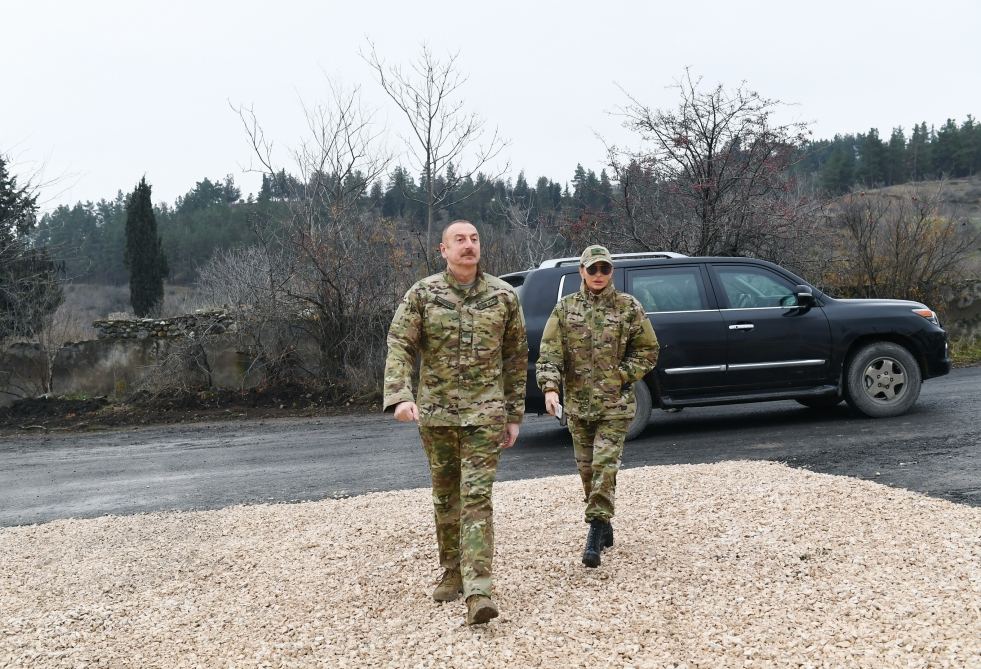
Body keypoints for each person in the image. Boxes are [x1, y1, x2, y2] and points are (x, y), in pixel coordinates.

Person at [383, 220, 528, 625]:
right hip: (438, 414)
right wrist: (399, 394)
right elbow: (400, 343)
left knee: (476, 498)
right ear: (442, 250)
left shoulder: (503, 296)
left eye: (475, 239)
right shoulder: (424, 294)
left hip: (486, 414)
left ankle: (479, 589)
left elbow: (516, 358)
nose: (469, 246)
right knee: (446, 496)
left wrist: (514, 414)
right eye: (460, 241)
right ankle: (452, 570)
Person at [536, 244, 659, 568]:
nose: (599, 275)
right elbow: (549, 354)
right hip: (578, 408)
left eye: (604, 269)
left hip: (615, 406)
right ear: (582, 272)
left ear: (611, 271)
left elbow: (648, 351)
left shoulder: (628, 307)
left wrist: (621, 375)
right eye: (593, 269)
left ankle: (593, 532)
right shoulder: (565, 310)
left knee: (605, 466)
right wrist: (550, 389)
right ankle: (605, 525)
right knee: (589, 472)